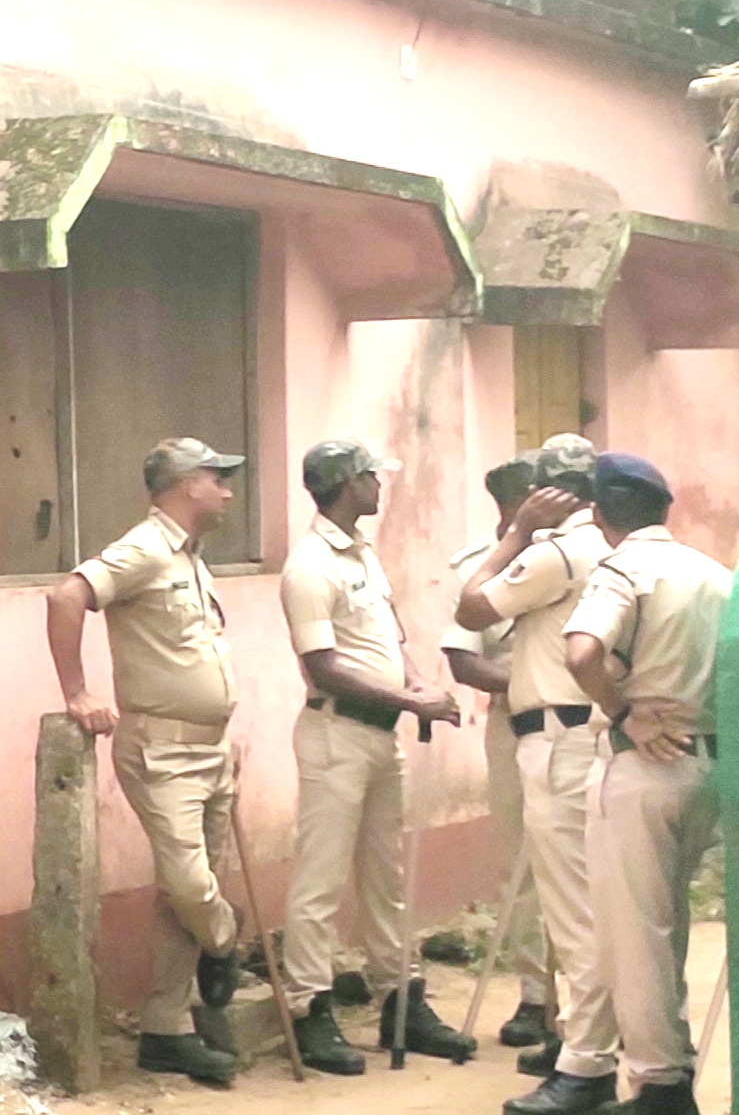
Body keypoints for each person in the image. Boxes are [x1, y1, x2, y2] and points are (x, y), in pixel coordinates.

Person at [45, 438, 248, 1086]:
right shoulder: (147, 548)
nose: (227, 491)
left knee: (176, 898)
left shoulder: (189, 556)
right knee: (191, 886)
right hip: (163, 751)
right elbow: (65, 597)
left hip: (209, 747)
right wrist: (77, 692)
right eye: (217, 478)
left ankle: (166, 1027)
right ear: (187, 484)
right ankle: (225, 938)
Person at [278, 438, 476, 1075]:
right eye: (370, 475)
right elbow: (324, 667)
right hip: (336, 734)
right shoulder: (309, 566)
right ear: (345, 484)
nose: (379, 484)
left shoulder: (362, 553)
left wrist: (417, 686)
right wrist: (412, 701)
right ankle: (309, 1007)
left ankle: (401, 1000)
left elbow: (390, 640)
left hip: (380, 734)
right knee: (321, 879)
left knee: (387, 876)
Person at [455, 435, 623, 1114]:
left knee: (572, 912)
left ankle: (585, 1064)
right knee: (602, 904)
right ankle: (605, 1048)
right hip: (595, 736)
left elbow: (470, 607)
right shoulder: (613, 546)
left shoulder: (556, 550)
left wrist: (515, 532)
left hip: (558, 739)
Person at [562, 454, 730, 1115]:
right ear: (664, 508)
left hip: (643, 763)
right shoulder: (715, 574)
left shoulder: (623, 568)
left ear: (597, 513)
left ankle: (660, 1086)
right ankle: (671, 1072)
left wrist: (624, 712)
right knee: (668, 926)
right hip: (708, 763)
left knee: (635, 936)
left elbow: (581, 651)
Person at [442, 453, 552, 1052]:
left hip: (580, 727)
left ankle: (594, 997)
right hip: (515, 726)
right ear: (515, 505)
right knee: (521, 866)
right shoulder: (476, 570)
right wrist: (532, 682)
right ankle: (537, 996)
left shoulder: (573, 556)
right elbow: (463, 661)